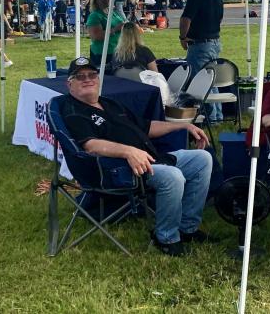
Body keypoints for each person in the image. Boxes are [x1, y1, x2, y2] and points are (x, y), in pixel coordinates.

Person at [61, 56, 212, 256]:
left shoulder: (109, 104)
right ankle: (166, 237)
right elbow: (91, 146)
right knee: (172, 176)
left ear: (98, 79)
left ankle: (187, 228)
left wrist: (183, 125)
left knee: (202, 159)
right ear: (69, 84)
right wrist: (129, 151)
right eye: (80, 77)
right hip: (116, 169)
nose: (87, 79)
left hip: (147, 158)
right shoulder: (73, 111)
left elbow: (146, 127)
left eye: (91, 75)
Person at [180, 0, 224, 123]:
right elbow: (219, 20)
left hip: (200, 45)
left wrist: (183, 37)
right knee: (211, 79)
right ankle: (217, 115)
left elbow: (185, 19)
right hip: (215, 42)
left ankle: (211, 117)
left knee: (200, 80)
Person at [85, 0, 125, 68]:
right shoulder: (95, 16)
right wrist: (115, 29)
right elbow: (96, 36)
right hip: (102, 54)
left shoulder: (114, 13)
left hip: (118, 51)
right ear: (96, 1)